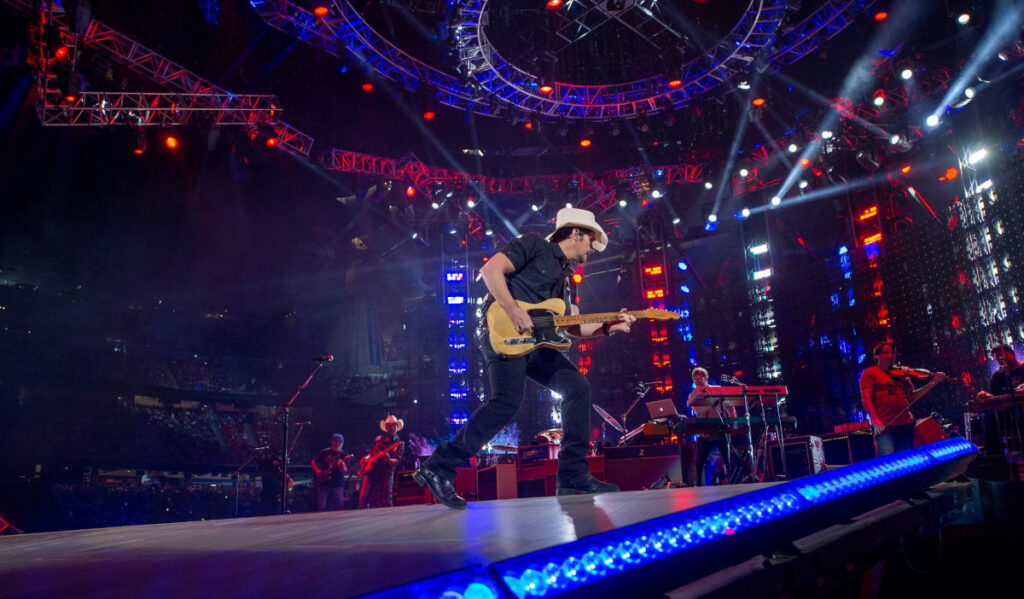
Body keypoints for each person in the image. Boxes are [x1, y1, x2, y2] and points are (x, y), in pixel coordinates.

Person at [414, 207, 636, 508]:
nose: (592, 248)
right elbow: (491, 271)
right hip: (504, 332)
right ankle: (438, 467)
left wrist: (610, 326)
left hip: (538, 344)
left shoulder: (566, 279)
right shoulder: (533, 245)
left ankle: (572, 475)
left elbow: (572, 327)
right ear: (576, 233)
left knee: (577, 387)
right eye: (591, 240)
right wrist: (514, 310)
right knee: (505, 402)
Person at [859, 341, 946, 456]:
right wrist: (875, 420)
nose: (890, 356)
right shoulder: (870, 373)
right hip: (885, 427)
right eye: (886, 352)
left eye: (893, 353)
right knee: (889, 462)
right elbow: (866, 397)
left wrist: (933, 383)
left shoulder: (902, 375)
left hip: (906, 425)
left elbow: (913, 397)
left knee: (905, 461)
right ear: (877, 356)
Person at [685, 367, 734, 486]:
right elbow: (697, 408)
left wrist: (732, 419)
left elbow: (730, 404)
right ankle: (699, 485)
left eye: (699, 377)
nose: (697, 380)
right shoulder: (693, 394)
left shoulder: (717, 390)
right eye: (695, 378)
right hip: (704, 432)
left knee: (728, 459)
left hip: (720, 429)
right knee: (699, 461)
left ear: (706, 378)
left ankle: (733, 481)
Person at [975, 344, 1024, 455]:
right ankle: (995, 455)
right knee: (990, 416)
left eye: (1003, 356)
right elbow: (994, 396)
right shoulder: (998, 375)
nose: (1001, 361)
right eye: (998, 359)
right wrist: (986, 395)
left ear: (1011, 354)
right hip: (1006, 413)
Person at [359, 415, 405, 509]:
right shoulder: (378, 439)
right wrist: (366, 458)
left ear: (397, 427)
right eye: (389, 425)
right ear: (386, 427)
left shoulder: (399, 443)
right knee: (363, 498)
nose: (391, 427)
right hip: (372, 472)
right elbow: (372, 453)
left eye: (393, 425)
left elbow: (396, 461)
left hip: (386, 473)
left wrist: (388, 459)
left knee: (386, 501)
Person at [311, 433, 349, 512]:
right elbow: (313, 462)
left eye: (340, 442)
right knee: (322, 505)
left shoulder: (344, 454)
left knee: (338, 505)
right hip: (323, 482)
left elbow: (344, 470)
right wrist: (318, 471)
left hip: (337, 483)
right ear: (332, 442)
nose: (337, 444)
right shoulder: (324, 452)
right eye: (336, 441)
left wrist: (342, 464)